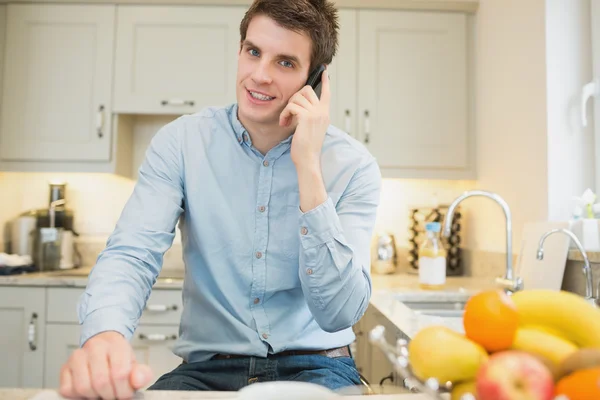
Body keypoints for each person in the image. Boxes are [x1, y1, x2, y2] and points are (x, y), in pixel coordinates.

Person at [59, 0, 381, 398]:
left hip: (318, 366)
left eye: (285, 63)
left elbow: (340, 313)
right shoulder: (181, 143)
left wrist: (308, 167)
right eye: (253, 52)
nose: (259, 76)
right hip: (207, 369)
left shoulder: (354, 167)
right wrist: (105, 334)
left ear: (314, 80)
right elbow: (133, 252)